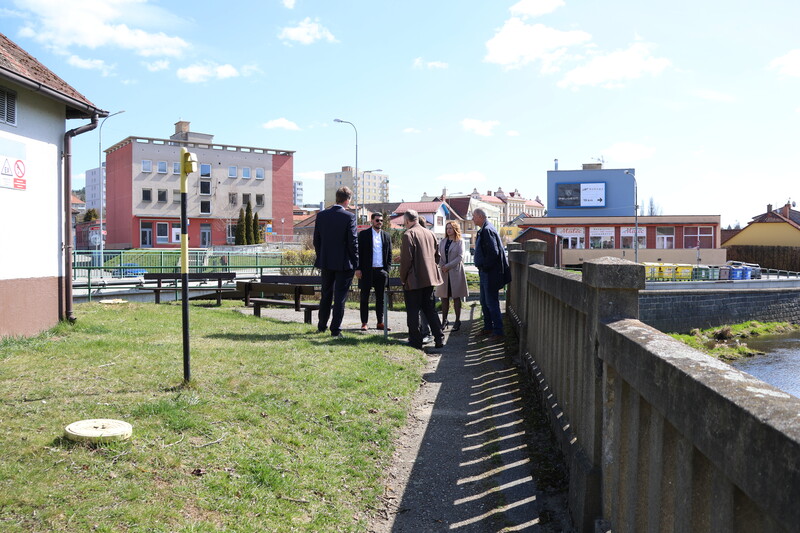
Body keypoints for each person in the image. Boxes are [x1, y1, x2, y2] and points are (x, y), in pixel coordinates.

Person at [313, 187, 358, 337]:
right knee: (340, 298)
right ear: (348, 200)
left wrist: (322, 257)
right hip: (344, 263)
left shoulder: (321, 215)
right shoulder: (349, 217)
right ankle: (335, 329)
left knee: (326, 295)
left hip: (326, 262)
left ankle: (321, 326)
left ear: (337, 197)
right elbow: (353, 242)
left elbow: (316, 240)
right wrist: (356, 262)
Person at [399, 209, 444, 350]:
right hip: (430, 278)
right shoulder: (430, 233)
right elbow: (437, 256)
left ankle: (415, 341)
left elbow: (406, 260)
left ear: (407, 220)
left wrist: (403, 277)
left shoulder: (408, 234)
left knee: (413, 310)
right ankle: (439, 337)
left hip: (414, 279)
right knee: (430, 309)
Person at [472, 208, 510, 341]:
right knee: (484, 301)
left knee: (491, 302)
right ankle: (488, 327)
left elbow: (493, 252)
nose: (472, 219)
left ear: (480, 216)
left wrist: (484, 266)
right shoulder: (485, 229)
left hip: (490, 273)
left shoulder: (487, 230)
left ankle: (498, 332)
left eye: (474, 216)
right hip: (486, 272)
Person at [355, 212, 392, 331]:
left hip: (381, 271)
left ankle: (380, 322)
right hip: (366, 271)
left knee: (380, 299)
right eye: (377, 220)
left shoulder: (386, 236)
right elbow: (357, 253)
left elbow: (389, 254)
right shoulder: (363, 235)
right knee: (364, 298)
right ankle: (364, 322)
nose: (379, 222)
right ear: (372, 221)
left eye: (381, 220)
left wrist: (387, 270)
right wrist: (358, 268)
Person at [436, 221, 469, 332]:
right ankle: (444, 320)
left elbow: (460, 257)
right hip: (444, 272)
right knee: (444, 297)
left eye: (450, 228)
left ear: (455, 229)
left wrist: (448, 266)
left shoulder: (460, 241)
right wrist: (442, 266)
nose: (448, 230)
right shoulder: (443, 241)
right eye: (447, 228)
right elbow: (439, 256)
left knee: (456, 297)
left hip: (455, 272)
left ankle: (457, 321)